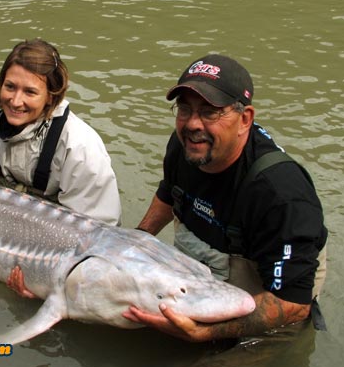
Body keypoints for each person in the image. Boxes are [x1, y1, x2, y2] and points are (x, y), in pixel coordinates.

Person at [123, 54, 328, 343]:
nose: (192, 124)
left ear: (245, 119)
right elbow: (170, 192)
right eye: (185, 109)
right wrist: (135, 242)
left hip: (271, 299)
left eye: (209, 112)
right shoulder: (185, 145)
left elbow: (292, 303)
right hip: (205, 267)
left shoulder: (281, 195)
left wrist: (205, 334)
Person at [0, 39, 122, 297]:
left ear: (51, 97)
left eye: (30, 92)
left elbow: (98, 240)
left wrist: (45, 282)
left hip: (59, 251)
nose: (15, 100)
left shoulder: (79, 146)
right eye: (9, 87)